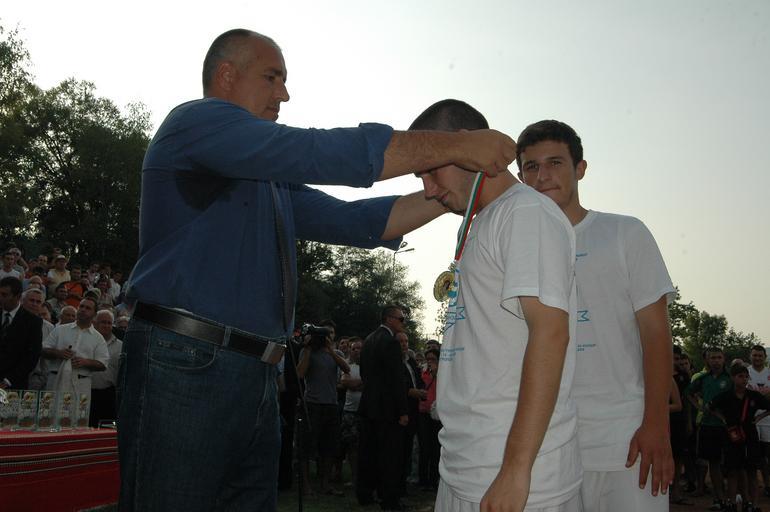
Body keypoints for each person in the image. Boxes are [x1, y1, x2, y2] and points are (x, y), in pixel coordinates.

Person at [116, 29, 515, 512]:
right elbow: (314, 152)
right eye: (272, 77)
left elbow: (355, 221)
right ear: (226, 75)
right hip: (187, 360)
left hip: (255, 372)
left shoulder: (267, 179)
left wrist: (456, 190)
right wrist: (453, 147)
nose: (284, 93)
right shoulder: (195, 123)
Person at [414, 100, 579, 512]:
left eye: (431, 171)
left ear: (467, 146)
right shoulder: (484, 220)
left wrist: (516, 469)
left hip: (517, 478)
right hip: (467, 464)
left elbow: (551, 333)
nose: (429, 190)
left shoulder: (526, 212)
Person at [517, 119, 675, 511]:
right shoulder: (517, 250)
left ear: (580, 168)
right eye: (531, 166)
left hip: (624, 440)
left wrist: (657, 424)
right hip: (549, 446)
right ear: (521, 178)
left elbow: (656, 334)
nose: (542, 175)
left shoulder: (624, 233)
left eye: (555, 163)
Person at [358, 305, 411, 510]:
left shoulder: (369, 340)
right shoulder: (390, 342)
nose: (403, 322)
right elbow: (396, 379)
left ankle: (365, 494)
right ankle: (389, 499)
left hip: (369, 405)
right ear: (389, 319)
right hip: (387, 409)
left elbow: (364, 373)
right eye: (401, 319)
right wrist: (403, 411)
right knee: (390, 455)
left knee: (368, 453)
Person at [296, 319, 350, 496]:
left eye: (330, 334)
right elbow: (300, 374)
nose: (326, 337)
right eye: (323, 333)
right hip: (312, 404)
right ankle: (306, 485)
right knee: (306, 445)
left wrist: (331, 351)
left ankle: (325, 484)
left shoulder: (336, 353)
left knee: (329, 446)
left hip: (331, 404)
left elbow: (346, 368)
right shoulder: (307, 351)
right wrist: (308, 348)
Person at [709, 363, 770, 512]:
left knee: (752, 471)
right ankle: (731, 503)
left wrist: (758, 418)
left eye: (746, 377)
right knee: (733, 471)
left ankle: (753, 505)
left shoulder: (753, 396)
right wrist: (723, 419)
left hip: (750, 435)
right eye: (740, 376)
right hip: (732, 435)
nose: (744, 379)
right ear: (732, 378)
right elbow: (710, 407)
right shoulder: (726, 396)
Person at [686, 347, 732, 510]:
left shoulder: (731, 378)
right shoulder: (703, 379)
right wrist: (699, 407)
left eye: (719, 357)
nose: (716, 361)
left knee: (733, 464)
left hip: (729, 426)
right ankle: (718, 499)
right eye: (712, 358)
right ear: (707, 360)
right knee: (713, 463)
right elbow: (688, 393)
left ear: (724, 359)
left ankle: (733, 498)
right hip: (708, 425)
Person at [41, 297, 108, 404]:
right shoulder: (60, 330)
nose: (83, 309)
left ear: (94, 314)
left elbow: (103, 364)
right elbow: (42, 350)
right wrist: (58, 353)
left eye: (88, 308)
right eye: (81, 306)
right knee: (49, 412)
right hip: (55, 380)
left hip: (81, 384)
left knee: (78, 414)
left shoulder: (98, 338)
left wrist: (86, 362)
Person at [0, 276, 43, 390]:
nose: (0, 298)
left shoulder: (33, 322)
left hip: (13, 385)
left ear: (18, 297)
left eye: (4, 295)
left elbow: (32, 356)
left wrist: (8, 380)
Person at [90, 310, 122, 427]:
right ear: (95, 323)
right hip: (86, 392)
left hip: (109, 395)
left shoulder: (121, 346)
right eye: (103, 322)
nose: (106, 325)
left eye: (109, 323)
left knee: (107, 428)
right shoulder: (87, 341)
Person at [340, 337, 364, 490]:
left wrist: (354, 384)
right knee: (351, 446)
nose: (356, 351)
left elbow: (371, 384)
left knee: (364, 446)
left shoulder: (369, 366)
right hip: (350, 411)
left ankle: (364, 477)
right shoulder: (347, 366)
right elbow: (345, 383)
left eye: (359, 348)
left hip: (365, 411)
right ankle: (355, 477)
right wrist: (361, 383)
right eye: (353, 348)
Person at [747, 344, 770, 495]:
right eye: (755, 355)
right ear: (750, 356)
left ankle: (768, 485)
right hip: (751, 420)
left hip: (768, 420)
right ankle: (753, 486)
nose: (757, 358)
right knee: (755, 455)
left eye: (760, 355)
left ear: (765, 357)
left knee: (768, 454)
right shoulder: (746, 373)